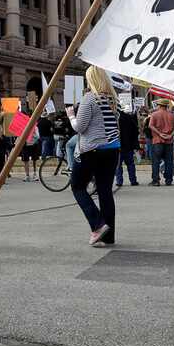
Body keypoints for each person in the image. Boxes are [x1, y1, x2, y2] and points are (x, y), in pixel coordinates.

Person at [69, 66, 120, 246]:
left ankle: (98, 225)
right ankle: (109, 235)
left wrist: (71, 117)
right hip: (112, 149)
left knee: (77, 186)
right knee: (105, 191)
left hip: (92, 149)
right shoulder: (114, 100)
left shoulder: (90, 98)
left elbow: (80, 127)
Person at [149, 99, 174, 186]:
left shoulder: (154, 114)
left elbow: (150, 125)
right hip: (169, 141)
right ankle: (168, 180)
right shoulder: (172, 115)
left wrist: (159, 133)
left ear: (160, 105)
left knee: (156, 161)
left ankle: (156, 180)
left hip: (157, 140)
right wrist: (171, 135)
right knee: (169, 161)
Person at [116, 108, 140, 187]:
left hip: (118, 145)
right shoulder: (129, 117)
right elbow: (135, 131)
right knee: (130, 164)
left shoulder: (114, 118)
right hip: (128, 145)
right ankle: (133, 180)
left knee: (119, 165)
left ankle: (119, 181)